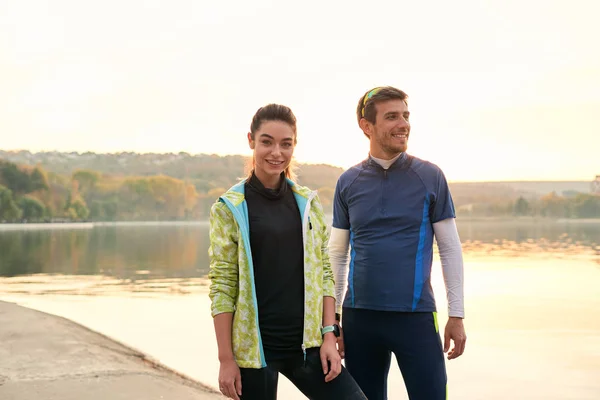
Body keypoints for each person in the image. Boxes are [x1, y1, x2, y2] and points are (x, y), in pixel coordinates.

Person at [208, 104, 366, 400]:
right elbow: (223, 286)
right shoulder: (229, 208)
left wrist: (329, 334)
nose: (276, 152)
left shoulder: (307, 203)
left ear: (295, 146)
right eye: (267, 141)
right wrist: (226, 359)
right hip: (255, 352)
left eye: (286, 144)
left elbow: (325, 273)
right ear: (251, 141)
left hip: (307, 345)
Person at [328, 86, 467, 400]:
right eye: (392, 117)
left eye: (405, 116)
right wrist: (332, 320)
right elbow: (337, 253)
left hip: (415, 317)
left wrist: (456, 315)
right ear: (367, 126)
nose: (403, 124)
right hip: (359, 318)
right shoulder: (348, 182)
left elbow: (449, 248)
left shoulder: (430, 177)